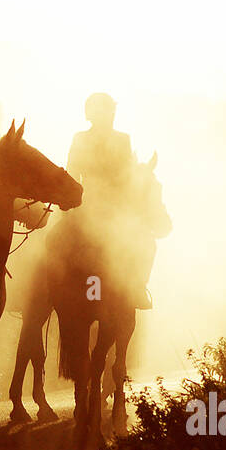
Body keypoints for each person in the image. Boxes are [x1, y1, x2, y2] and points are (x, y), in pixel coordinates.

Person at [66, 92, 154, 309]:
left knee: (146, 243)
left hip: (116, 212)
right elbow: (72, 171)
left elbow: (127, 176)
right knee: (53, 243)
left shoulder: (123, 139)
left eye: (111, 110)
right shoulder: (80, 139)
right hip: (84, 208)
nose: (109, 115)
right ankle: (50, 291)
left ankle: (136, 288)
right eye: (104, 110)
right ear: (90, 114)